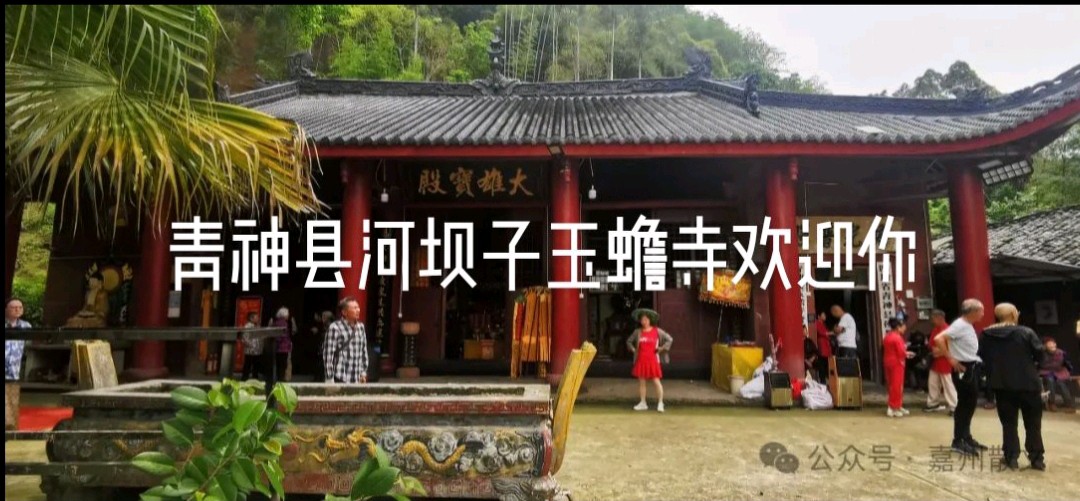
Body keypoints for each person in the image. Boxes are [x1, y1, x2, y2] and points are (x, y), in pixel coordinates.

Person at [978, 303, 1046, 471]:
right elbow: (1040, 355)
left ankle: (1011, 458)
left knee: (1008, 424)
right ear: (1014, 315)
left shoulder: (986, 334)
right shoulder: (1026, 332)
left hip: (1002, 385)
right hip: (1028, 384)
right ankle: (1037, 459)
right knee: (1033, 423)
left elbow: (982, 356)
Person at [934, 298, 988, 456]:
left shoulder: (967, 325)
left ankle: (966, 436)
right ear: (973, 311)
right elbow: (939, 339)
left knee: (970, 404)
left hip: (972, 366)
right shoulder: (959, 325)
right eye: (981, 310)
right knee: (965, 404)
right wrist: (950, 358)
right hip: (964, 367)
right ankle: (958, 440)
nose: (983, 314)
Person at [626, 308, 673, 413]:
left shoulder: (657, 331)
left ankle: (660, 403)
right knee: (642, 382)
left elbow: (669, 339)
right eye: (642, 320)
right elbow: (629, 341)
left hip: (653, 360)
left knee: (656, 381)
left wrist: (662, 348)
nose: (644, 322)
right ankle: (643, 402)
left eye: (646, 319)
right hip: (641, 360)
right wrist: (633, 350)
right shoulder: (637, 332)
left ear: (650, 320)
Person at [323, 297, 369, 384]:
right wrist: (329, 377)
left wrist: (363, 372)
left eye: (358, 307)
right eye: (354, 308)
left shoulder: (360, 327)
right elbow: (328, 354)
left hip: (356, 376)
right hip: (340, 375)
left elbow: (364, 351)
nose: (358, 310)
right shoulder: (335, 327)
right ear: (344, 312)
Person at [925, 309, 958, 415]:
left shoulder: (948, 330)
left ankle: (955, 406)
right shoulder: (936, 329)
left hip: (945, 361)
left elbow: (953, 347)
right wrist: (935, 350)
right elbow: (930, 344)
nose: (932, 321)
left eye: (933, 318)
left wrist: (940, 351)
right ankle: (933, 403)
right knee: (933, 383)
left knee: (948, 385)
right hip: (936, 361)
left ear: (940, 318)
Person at [883, 318, 916, 417]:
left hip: (888, 361)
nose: (905, 328)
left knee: (892, 385)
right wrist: (907, 353)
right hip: (897, 363)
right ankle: (893, 407)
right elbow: (901, 352)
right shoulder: (897, 338)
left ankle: (897, 405)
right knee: (897, 386)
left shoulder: (887, 336)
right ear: (898, 327)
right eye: (903, 326)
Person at [1039, 336, 1075, 413]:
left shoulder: (1060, 353)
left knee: (1060, 382)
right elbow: (1042, 364)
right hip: (1046, 372)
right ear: (1045, 346)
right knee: (1050, 380)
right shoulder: (1042, 353)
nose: (1052, 345)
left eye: (1053, 343)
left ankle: (1069, 404)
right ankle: (1052, 402)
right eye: (1049, 344)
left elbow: (1063, 364)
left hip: (1059, 372)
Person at [5, 299, 32, 381]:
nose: (17, 310)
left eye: (20, 307)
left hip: (14, 372)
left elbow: (28, 345)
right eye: (14, 307)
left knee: (12, 390)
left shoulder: (26, 326)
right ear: (6, 309)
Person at [269, 307, 295, 382]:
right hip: (283, 347)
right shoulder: (283, 323)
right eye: (287, 314)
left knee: (279, 365)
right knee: (282, 365)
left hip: (279, 347)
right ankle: (280, 380)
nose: (288, 315)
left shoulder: (276, 322)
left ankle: (278, 379)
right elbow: (281, 336)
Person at [240, 312, 264, 381]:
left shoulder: (257, 326)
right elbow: (244, 338)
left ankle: (255, 379)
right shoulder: (247, 326)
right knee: (247, 366)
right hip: (250, 350)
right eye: (256, 317)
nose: (258, 319)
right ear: (251, 318)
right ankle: (244, 380)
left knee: (256, 366)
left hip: (257, 350)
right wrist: (252, 345)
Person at [814, 311, 833, 382]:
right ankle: (822, 380)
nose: (825, 316)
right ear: (819, 316)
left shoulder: (823, 324)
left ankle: (825, 379)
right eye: (823, 315)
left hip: (826, 347)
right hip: (822, 347)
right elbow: (823, 333)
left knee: (826, 364)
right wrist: (833, 332)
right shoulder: (817, 323)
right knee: (822, 364)